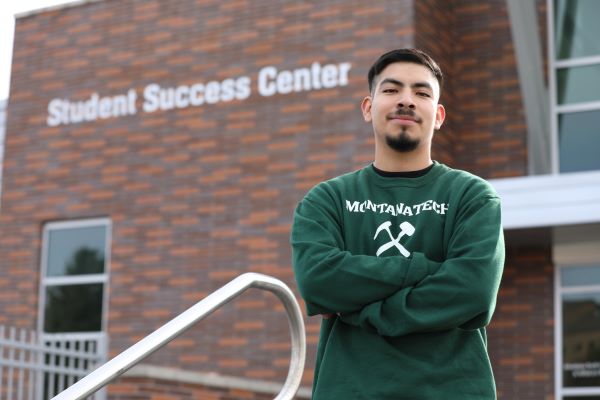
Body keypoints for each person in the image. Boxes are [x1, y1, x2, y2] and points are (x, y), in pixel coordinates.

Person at [290, 48, 505, 399]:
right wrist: (422, 269)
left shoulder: (471, 196)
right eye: (391, 90)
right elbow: (318, 281)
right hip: (349, 390)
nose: (406, 100)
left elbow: (474, 292)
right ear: (367, 107)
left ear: (437, 115)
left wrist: (363, 311)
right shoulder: (327, 199)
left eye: (421, 93)